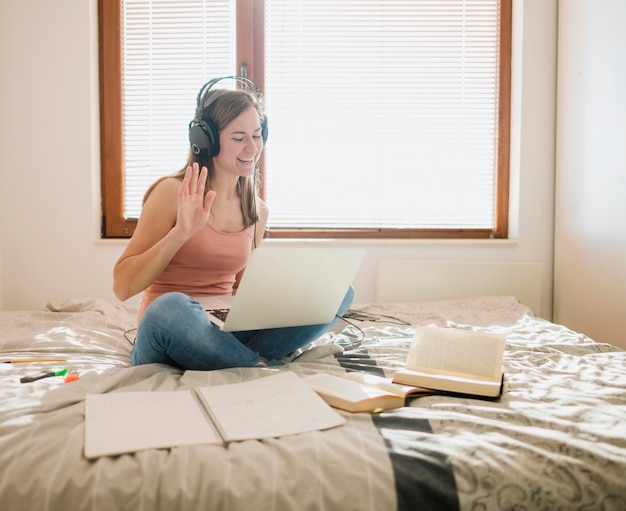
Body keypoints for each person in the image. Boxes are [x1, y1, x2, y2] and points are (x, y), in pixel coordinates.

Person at [113, 77, 354, 370]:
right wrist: (180, 233)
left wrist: (284, 299)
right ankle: (256, 366)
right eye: (239, 138)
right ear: (206, 141)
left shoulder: (257, 211)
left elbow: (241, 292)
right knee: (171, 306)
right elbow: (123, 287)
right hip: (170, 330)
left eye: (257, 135)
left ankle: (240, 360)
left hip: (220, 331)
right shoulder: (170, 193)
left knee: (340, 290)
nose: (252, 148)